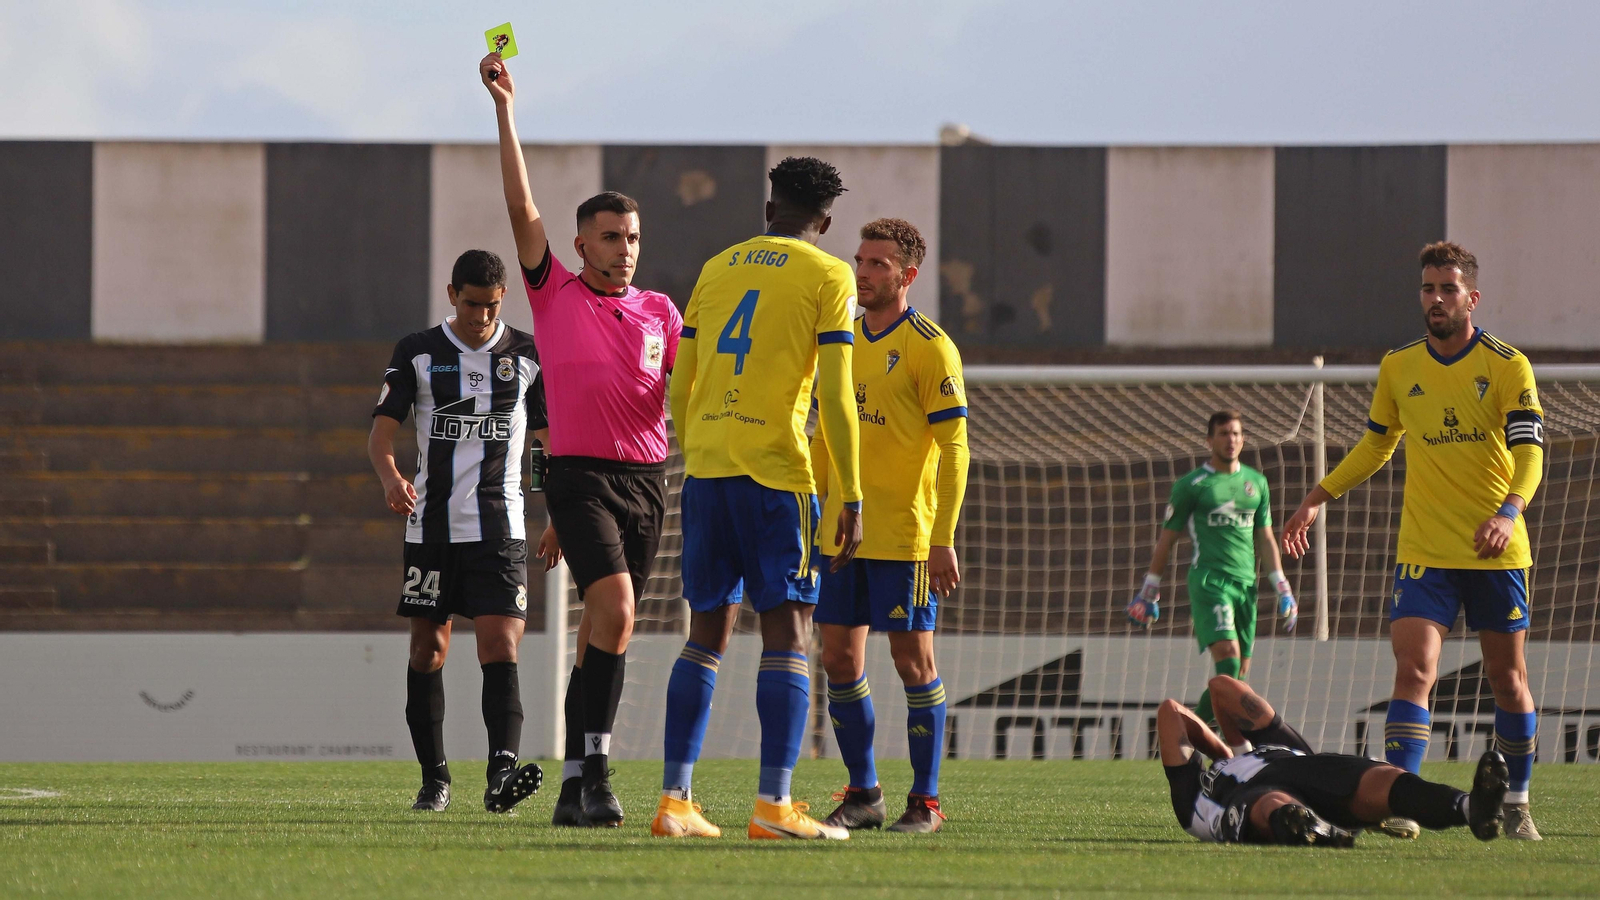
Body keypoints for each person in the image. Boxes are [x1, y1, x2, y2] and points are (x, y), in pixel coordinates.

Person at [1281, 242, 1545, 840]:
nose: (1436, 299)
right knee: (1414, 670)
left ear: (1472, 298)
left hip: (1496, 551)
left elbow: (1530, 452)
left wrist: (1509, 513)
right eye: (1428, 288)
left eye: (1448, 289)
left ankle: (1517, 803)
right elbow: (1377, 444)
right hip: (1424, 551)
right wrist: (1317, 497)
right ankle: (1402, 798)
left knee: (1507, 681)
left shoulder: (1508, 366)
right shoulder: (1398, 366)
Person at [481, 52, 683, 828]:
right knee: (618, 611)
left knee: (605, 631)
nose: (624, 248)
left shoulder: (662, 312)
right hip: (578, 476)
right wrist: (505, 109)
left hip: (647, 481)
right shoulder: (554, 292)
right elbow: (520, 204)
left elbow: (687, 387)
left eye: (632, 237)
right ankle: (598, 773)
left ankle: (574, 783)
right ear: (580, 245)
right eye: (610, 237)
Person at [650, 156, 863, 840]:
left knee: (705, 633)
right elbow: (836, 394)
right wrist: (850, 493)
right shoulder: (829, 274)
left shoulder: (717, 268)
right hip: (776, 478)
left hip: (708, 474)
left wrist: (700, 450)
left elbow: (681, 382)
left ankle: (675, 802)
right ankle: (774, 805)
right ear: (824, 223)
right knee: (789, 632)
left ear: (770, 210)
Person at [369, 248, 555, 814]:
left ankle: (501, 775)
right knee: (429, 649)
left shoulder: (528, 354)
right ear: (452, 295)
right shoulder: (418, 352)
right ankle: (435, 779)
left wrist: (556, 512)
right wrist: (391, 478)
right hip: (432, 530)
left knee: (501, 645)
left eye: (492, 306)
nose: (481, 316)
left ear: (504, 299)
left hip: (502, 529)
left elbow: (545, 444)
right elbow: (381, 434)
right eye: (472, 304)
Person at [810, 218, 969, 834]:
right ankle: (864, 793)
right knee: (837, 659)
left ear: (908, 275)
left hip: (905, 537)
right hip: (840, 536)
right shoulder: (840, 341)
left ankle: (925, 802)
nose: (863, 273)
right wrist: (814, 510)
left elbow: (955, 449)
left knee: (911, 661)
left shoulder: (931, 346)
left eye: (878, 264)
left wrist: (943, 536)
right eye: (860, 260)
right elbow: (823, 436)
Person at [1158, 675, 1509, 845]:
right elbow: (1170, 713)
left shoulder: (1277, 746)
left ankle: (1470, 808)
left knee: (1381, 778)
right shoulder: (1192, 798)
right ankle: (1313, 829)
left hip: (1308, 771)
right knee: (1273, 803)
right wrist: (1222, 756)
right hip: (1247, 796)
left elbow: (1221, 687)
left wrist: (1232, 748)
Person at [1128, 410, 1297, 735]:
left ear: (1243, 439)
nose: (1230, 439)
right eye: (1223, 433)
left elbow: (1265, 538)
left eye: (1235, 433)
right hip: (1209, 581)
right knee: (1229, 661)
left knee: (1237, 679)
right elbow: (1168, 539)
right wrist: (1149, 590)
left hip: (1245, 585)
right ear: (1209, 440)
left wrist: (1283, 588)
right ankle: (1189, 737)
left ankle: (1191, 733)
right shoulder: (1192, 485)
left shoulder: (1256, 483)